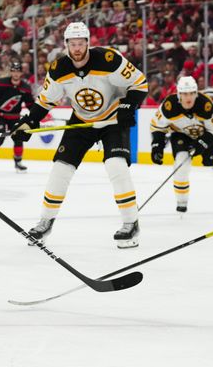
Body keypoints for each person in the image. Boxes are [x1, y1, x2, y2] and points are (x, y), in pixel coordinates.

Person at [11, 21, 147, 248]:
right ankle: (45, 222)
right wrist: (30, 121)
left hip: (112, 119)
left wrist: (128, 106)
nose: (77, 48)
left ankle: (131, 223)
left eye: (81, 43)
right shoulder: (58, 69)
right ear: (66, 45)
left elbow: (139, 83)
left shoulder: (108, 60)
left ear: (88, 43)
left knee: (116, 165)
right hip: (81, 121)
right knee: (61, 168)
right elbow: (46, 100)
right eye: (72, 44)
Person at [150, 76, 213, 213]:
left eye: (192, 93)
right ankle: (181, 200)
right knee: (181, 164)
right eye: (185, 94)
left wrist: (202, 143)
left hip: (207, 135)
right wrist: (157, 146)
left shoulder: (206, 105)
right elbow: (157, 126)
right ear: (179, 94)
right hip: (181, 135)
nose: (188, 97)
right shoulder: (169, 105)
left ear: (196, 93)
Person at [0, 59, 34, 172]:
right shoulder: (1, 82)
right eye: (13, 71)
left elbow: (30, 103)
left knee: (19, 138)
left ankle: (18, 162)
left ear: (21, 73)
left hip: (14, 117)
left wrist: (37, 114)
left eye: (18, 71)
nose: (16, 73)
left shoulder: (25, 87)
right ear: (11, 72)